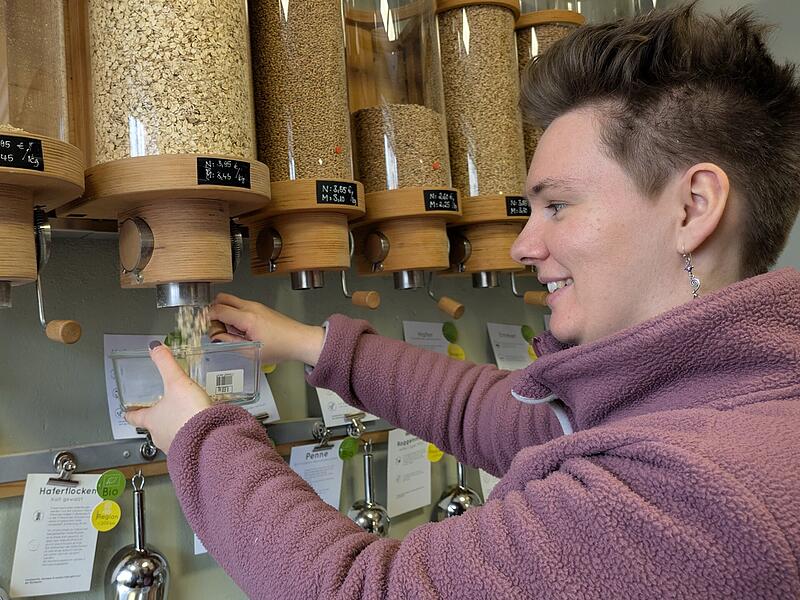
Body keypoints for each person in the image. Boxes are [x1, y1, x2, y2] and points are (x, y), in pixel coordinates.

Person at [126, 4, 800, 598]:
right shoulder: (722, 399)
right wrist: (310, 344)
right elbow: (507, 419)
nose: (523, 246)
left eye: (558, 206)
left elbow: (363, 591)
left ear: (693, 206)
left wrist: (199, 436)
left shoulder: (691, 491)